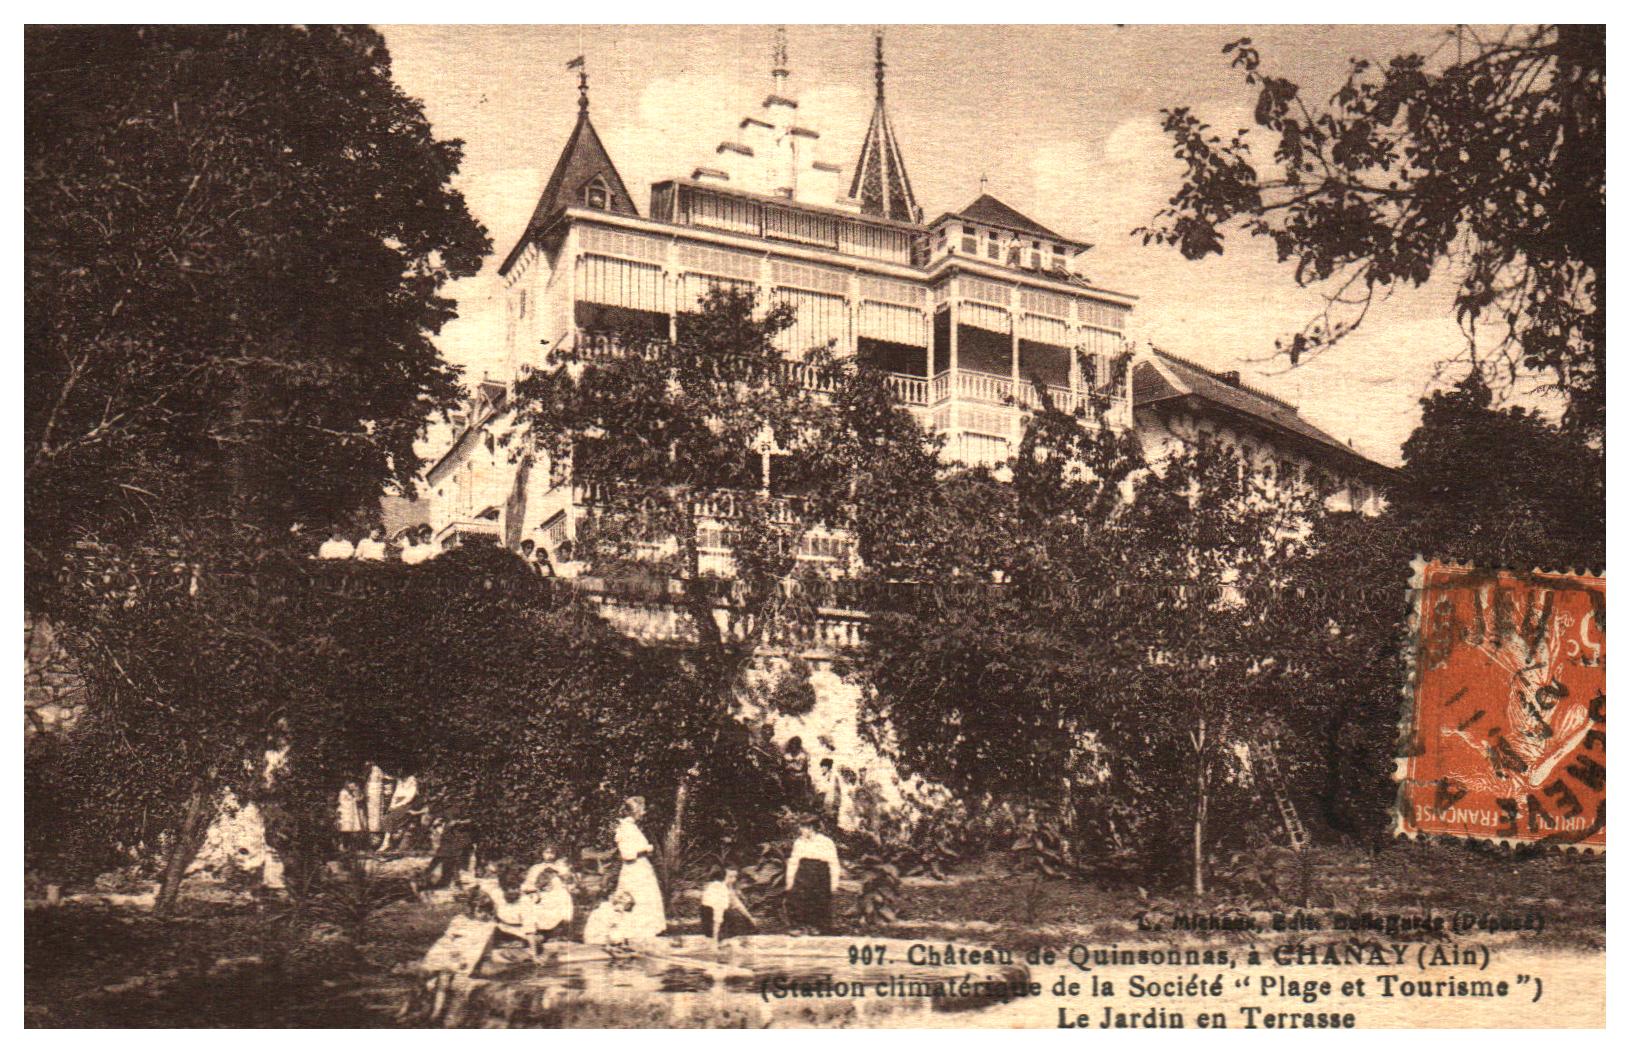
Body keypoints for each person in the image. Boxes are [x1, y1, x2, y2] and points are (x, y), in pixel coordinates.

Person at [612, 796, 666, 939]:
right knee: (638, 899)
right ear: (635, 811)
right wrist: (647, 849)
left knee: (645, 899)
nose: (643, 812)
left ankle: (643, 934)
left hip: (641, 868)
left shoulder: (633, 827)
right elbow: (627, 854)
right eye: (642, 809)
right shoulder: (626, 828)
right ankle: (634, 934)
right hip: (635, 869)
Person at [785, 815, 841, 934]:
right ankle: (799, 927)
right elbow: (794, 861)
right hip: (804, 871)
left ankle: (816, 927)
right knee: (798, 897)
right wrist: (790, 880)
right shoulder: (799, 843)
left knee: (819, 899)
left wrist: (834, 883)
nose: (801, 830)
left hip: (821, 872)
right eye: (801, 827)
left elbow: (833, 862)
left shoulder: (826, 842)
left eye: (803, 828)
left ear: (811, 828)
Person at [417, 808, 474, 892]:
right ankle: (425, 878)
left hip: (458, 838)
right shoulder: (447, 805)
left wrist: (457, 822)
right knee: (440, 857)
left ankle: (453, 883)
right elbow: (438, 816)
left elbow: (472, 820)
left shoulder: (466, 804)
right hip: (448, 837)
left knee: (451, 860)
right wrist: (437, 822)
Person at [699, 866, 757, 943]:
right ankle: (720, 941)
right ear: (723, 878)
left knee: (742, 918)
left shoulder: (727, 887)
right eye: (730, 877)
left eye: (735, 877)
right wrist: (715, 938)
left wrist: (750, 917)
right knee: (733, 917)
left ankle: (733, 941)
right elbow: (718, 912)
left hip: (717, 911)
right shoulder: (718, 889)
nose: (733, 880)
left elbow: (737, 903)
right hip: (710, 912)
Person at [379, 773, 419, 853]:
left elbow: (410, 797)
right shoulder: (400, 781)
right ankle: (387, 842)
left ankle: (386, 843)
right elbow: (395, 795)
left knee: (390, 818)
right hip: (397, 804)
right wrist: (392, 805)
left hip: (407, 804)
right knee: (385, 817)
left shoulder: (412, 780)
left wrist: (398, 805)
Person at [336, 780, 365, 851]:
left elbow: (359, 799)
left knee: (353, 830)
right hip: (346, 814)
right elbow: (342, 802)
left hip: (352, 814)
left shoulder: (353, 793)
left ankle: (352, 847)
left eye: (353, 784)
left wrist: (357, 793)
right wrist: (353, 800)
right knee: (345, 830)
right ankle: (344, 846)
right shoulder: (343, 792)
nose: (351, 786)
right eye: (350, 784)